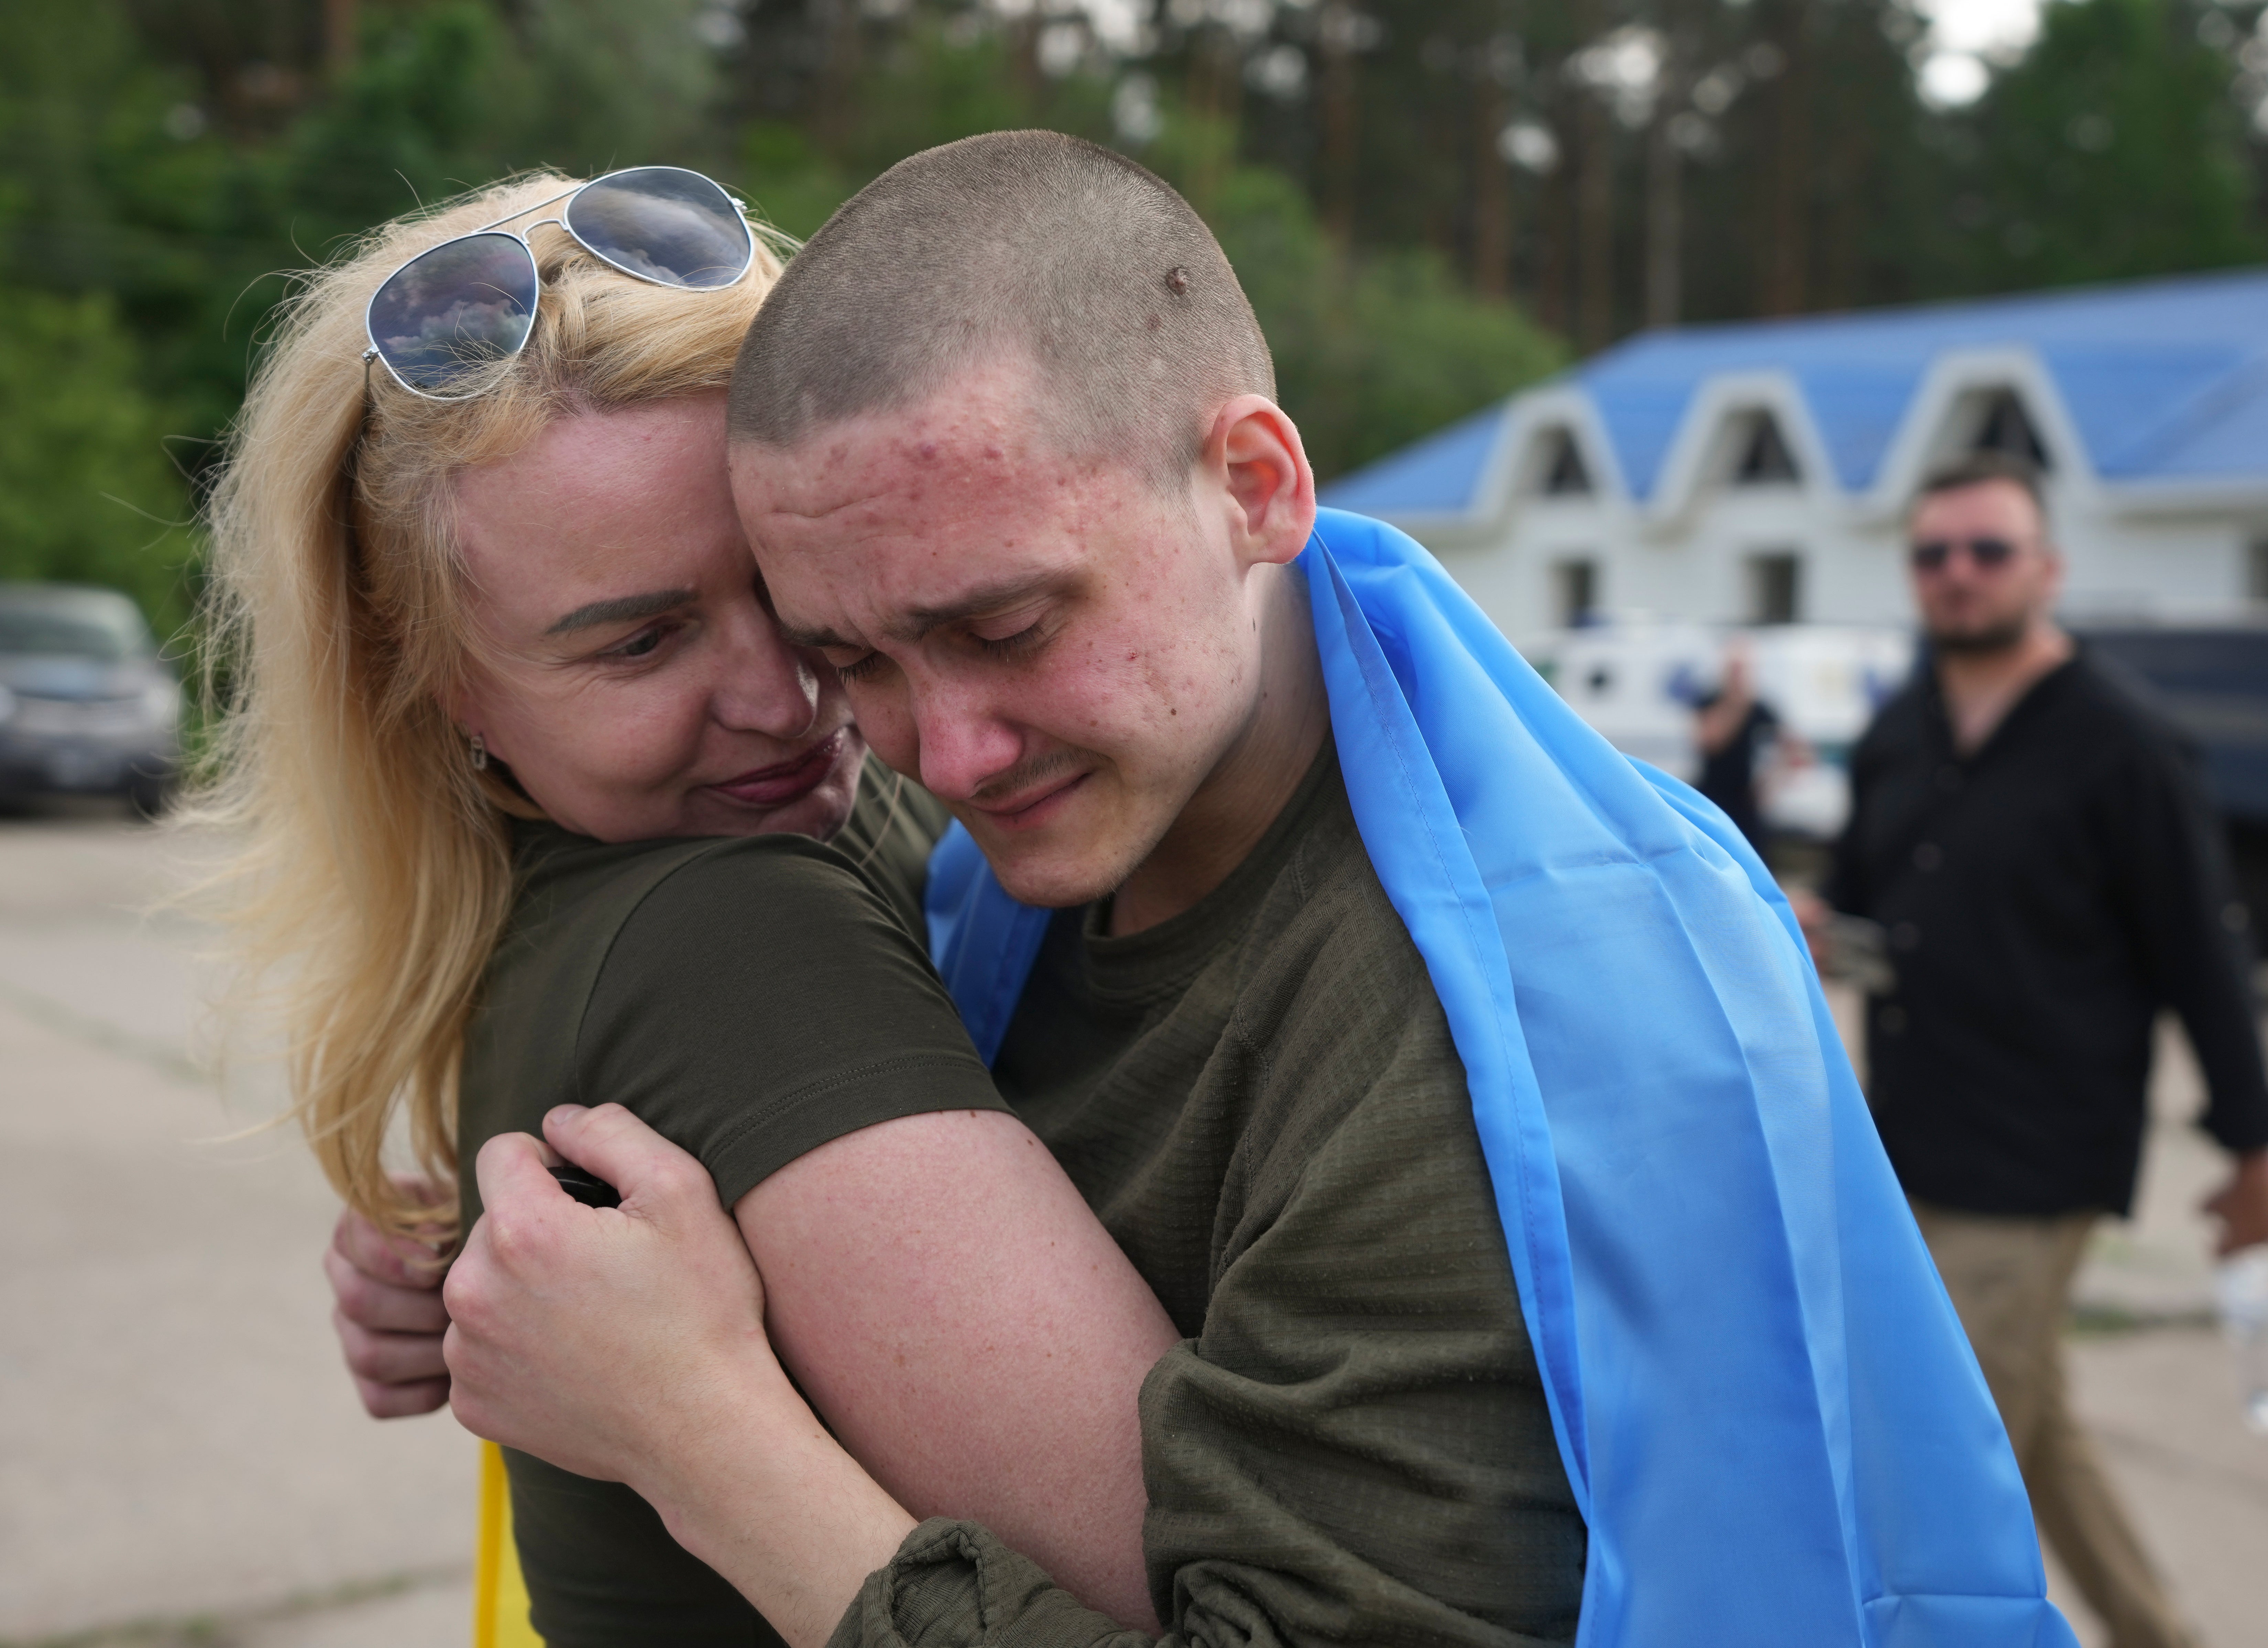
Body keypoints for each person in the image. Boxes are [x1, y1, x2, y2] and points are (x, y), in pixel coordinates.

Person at [440, 132, 2076, 1648]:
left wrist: (699, 1430)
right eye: (850, 656)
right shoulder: (1059, 816)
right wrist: (462, 1252)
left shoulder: (1477, 1040)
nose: (940, 747)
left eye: (1007, 626)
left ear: (1256, 487)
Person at [199, 169, 1186, 1646]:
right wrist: (699, 1418)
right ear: (444, 681)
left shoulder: (631, 873)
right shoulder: (730, 927)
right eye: (641, 640)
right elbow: (1208, 1589)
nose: (787, 698)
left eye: (797, 591)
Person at [1804, 451, 2268, 1648]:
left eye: (1986, 550)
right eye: (1931, 553)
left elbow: (2198, 956)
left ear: (2046, 568)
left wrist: (2252, 1143)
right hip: (1904, 1139)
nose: (1955, 575)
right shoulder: (1901, 726)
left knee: (1928, 1474)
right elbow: (1861, 908)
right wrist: (1810, 931)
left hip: (2035, 1160)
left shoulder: (2122, 742)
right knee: (2033, 1431)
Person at [1690, 641, 1783, 852]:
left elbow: (1792, 748)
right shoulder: (1710, 701)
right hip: (1712, 794)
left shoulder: (1760, 709)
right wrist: (1735, 705)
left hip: (1745, 800)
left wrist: (1770, 783)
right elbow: (1711, 741)